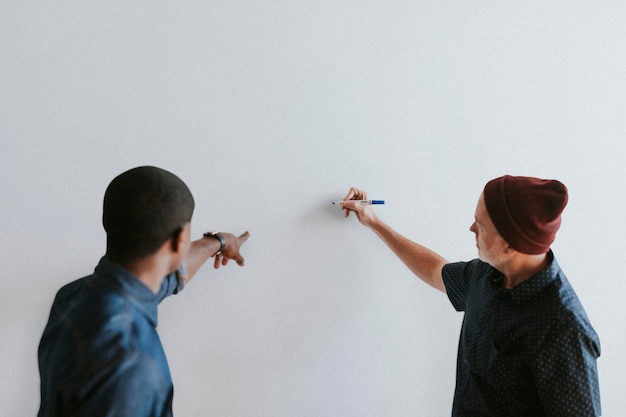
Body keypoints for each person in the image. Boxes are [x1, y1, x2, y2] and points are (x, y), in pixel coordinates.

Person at [341, 175, 601, 416]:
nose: (471, 228)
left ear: (509, 245)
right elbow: (435, 270)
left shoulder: (564, 329)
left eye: (481, 225)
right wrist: (373, 221)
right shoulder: (487, 275)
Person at [38, 166, 250, 417]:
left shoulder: (73, 295)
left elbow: (168, 278)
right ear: (180, 240)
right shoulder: (131, 363)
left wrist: (219, 242)